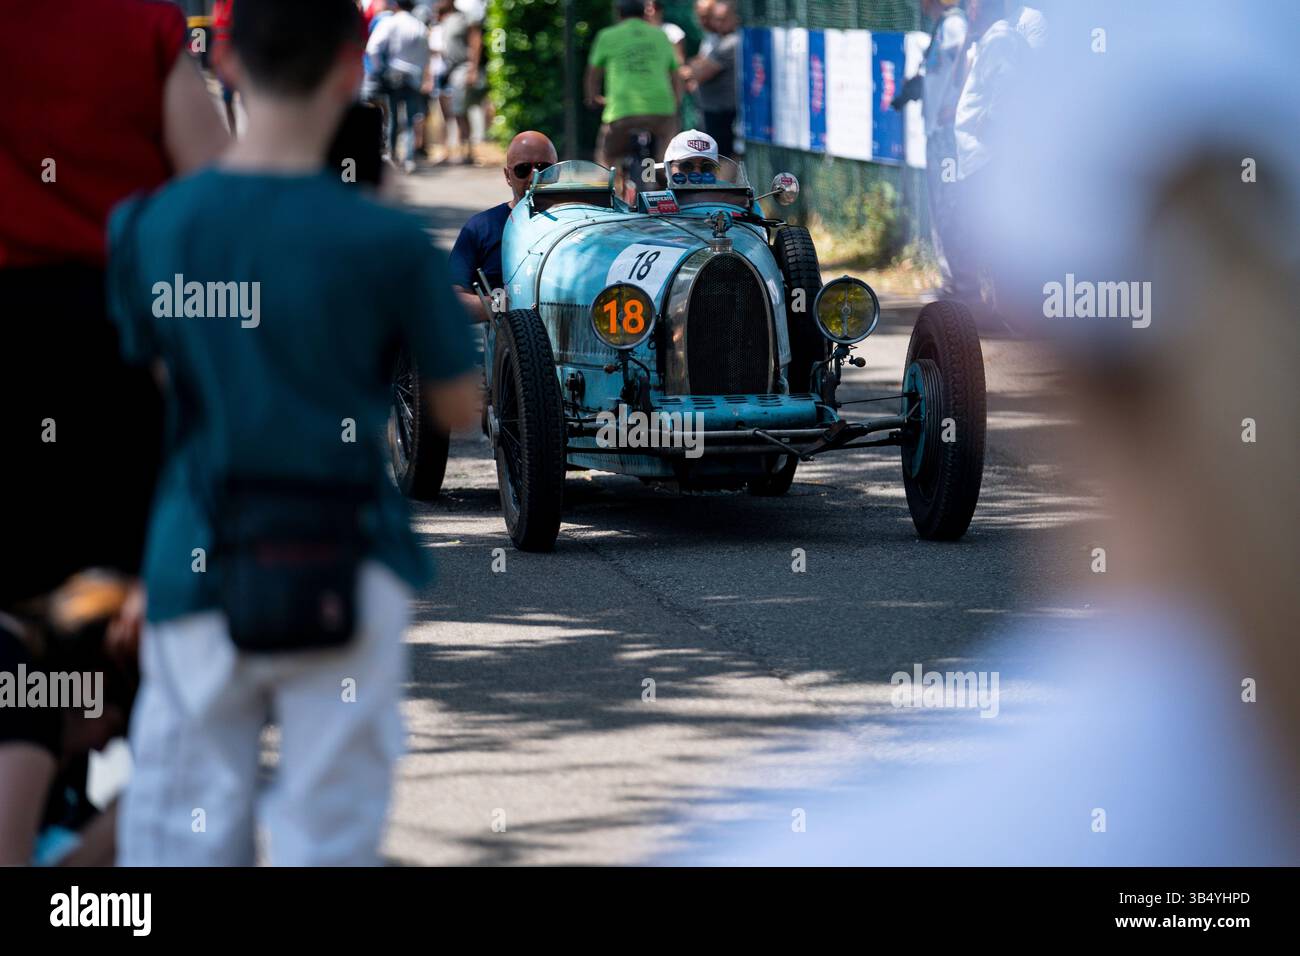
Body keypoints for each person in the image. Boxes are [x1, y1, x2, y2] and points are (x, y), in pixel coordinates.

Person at [108, 0, 480, 866]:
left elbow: (164, 382)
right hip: (347, 557)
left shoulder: (150, 227)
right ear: (354, 72)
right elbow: (458, 406)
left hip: (196, 557)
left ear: (226, 62)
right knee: (329, 831)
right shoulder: (385, 238)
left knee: (183, 830)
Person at [948, 0, 1027, 323]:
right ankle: (994, 308)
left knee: (987, 237)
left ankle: (1002, 312)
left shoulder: (1001, 39)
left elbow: (1008, 86)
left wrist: (990, 124)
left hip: (987, 157)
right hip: (977, 156)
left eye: (973, 5)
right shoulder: (992, 38)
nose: (968, 11)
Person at [891, 0, 967, 296]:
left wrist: (954, 103)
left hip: (947, 134)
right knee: (941, 207)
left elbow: (965, 56)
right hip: (937, 133)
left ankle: (960, 285)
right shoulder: (944, 24)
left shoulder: (954, 24)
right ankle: (952, 282)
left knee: (949, 207)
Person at [448, 131, 558, 320]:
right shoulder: (481, 227)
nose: (533, 177)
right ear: (508, 175)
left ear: (557, 172)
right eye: (523, 169)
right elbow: (451, 300)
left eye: (543, 168)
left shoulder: (581, 225)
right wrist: (507, 304)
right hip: (510, 345)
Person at [586, 0, 682, 167]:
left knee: (606, 157)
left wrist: (592, 97)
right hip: (660, 108)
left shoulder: (607, 35)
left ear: (618, 13)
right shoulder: (660, 35)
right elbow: (675, 74)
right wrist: (676, 101)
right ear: (644, 13)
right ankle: (658, 178)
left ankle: (610, 187)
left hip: (622, 109)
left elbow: (593, 74)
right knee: (666, 154)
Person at [367, 0, 431, 171]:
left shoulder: (390, 23)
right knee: (410, 119)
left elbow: (373, 47)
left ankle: (393, 157)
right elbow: (426, 55)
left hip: (393, 76)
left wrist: (379, 68)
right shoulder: (420, 26)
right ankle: (408, 159)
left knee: (393, 118)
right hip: (413, 77)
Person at [682, 0, 739, 157]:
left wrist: (695, 67)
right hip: (710, 109)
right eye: (716, 19)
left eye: (722, 19)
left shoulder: (732, 42)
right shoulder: (714, 38)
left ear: (735, 17)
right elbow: (698, 64)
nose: (717, 24)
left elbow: (700, 72)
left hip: (724, 110)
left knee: (724, 157)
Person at [438, 0, 485, 165]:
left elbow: (476, 41)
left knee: (460, 111)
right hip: (448, 71)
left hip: (462, 68)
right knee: (451, 112)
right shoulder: (443, 18)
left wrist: (473, 69)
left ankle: (467, 151)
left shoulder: (465, 17)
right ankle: (455, 151)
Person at [648, 0, 686, 66]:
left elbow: (679, 59)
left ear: (661, 11)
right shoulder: (636, 33)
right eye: (647, 9)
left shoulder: (673, 31)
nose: (650, 13)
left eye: (654, 8)